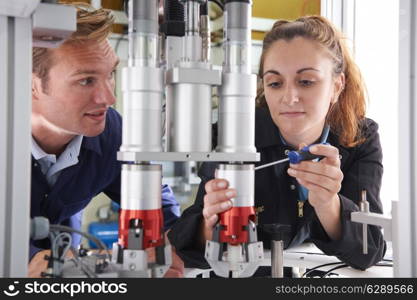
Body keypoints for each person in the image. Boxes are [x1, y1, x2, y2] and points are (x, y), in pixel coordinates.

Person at [168, 16, 386, 271]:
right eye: (275, 83)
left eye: (306, 81)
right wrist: (209, 224)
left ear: (337, 86)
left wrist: (328, 204)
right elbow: (189, 247)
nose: (289, 98)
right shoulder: (235, 136)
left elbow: (368, 251)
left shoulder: (359, 137)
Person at [29, 3, 182, 277]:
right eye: (86, 80)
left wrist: (174, 242)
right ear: (32, 84)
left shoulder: (110, 131)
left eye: (110, 74)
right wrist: (31, 260)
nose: (109, 99)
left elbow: (156, 203)